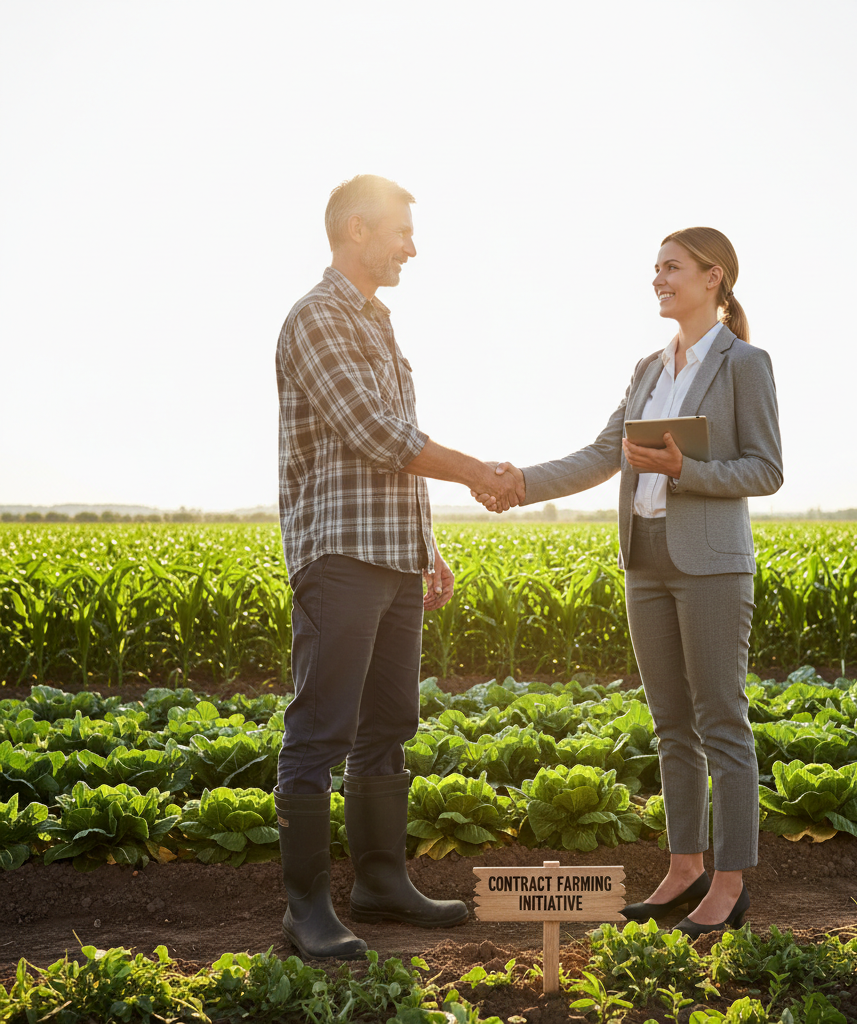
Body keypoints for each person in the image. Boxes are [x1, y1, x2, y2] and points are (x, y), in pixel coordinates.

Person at [477, 227, 782, 937]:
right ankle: (683, 867)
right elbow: (601, 453)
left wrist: (686, 470)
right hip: (644, 560)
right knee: (673, 726)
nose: (657, 279)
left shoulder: (746, 363)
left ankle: (729, 882)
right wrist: (520, 484)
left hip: (711, 564)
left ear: (715, 277)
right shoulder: (649, 366)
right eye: (655, 268)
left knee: (722, 724)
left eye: (671, 268)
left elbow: (766, 470)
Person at [274, 174, 521, 960]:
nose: (412, 248)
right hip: (340, 556)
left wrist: (428, 547)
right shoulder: (317, 319)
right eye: (401, 233)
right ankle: (305, 908)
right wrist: (479, 469)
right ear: (355, 228)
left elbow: (396, 452)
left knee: (389, 727)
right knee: (321, 731)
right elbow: (375, 432)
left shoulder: (379, 324)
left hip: (392, 557)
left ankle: (380, 880)